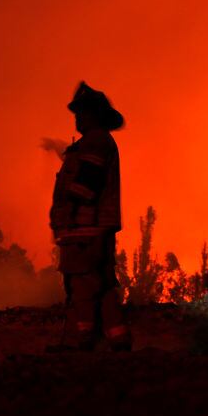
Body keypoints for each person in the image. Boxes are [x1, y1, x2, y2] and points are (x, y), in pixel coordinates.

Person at [49, 82, 131, 351]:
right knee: (102, 287)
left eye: (82, 113)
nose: (78, 118)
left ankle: (81, 341)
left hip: (85, 228)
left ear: (95, 115)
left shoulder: (96, 142)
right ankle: (116, 340)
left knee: (82, 286)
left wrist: (68, 210)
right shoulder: (93, 142)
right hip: (89, 229)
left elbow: (87, 182)